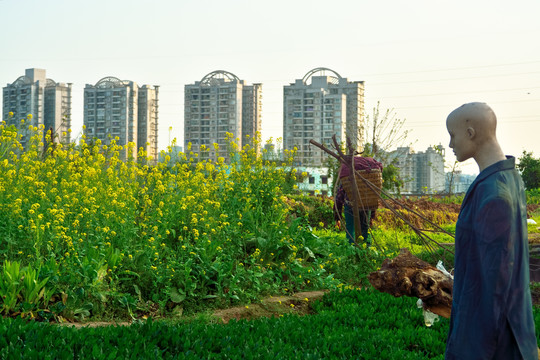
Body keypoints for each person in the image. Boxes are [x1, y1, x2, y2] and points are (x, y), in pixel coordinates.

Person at [444, 102, 538, 359]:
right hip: (511, 329)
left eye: (453, 135)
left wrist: (476, 349)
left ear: (471, 133)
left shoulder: (494, 194)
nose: (450, 144)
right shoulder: (510, 178)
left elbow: (495, 286)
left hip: (491, 341)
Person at [333, 156, 383, 245]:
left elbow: (339, 198)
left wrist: (337, 216)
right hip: (365, 206)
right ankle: (366, 250)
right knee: (365, 228)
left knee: (350, 229)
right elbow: (372, 198)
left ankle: (351, 250)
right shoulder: (368, 181)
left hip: (350, 205)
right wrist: (371, 216)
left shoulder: (347, 178)